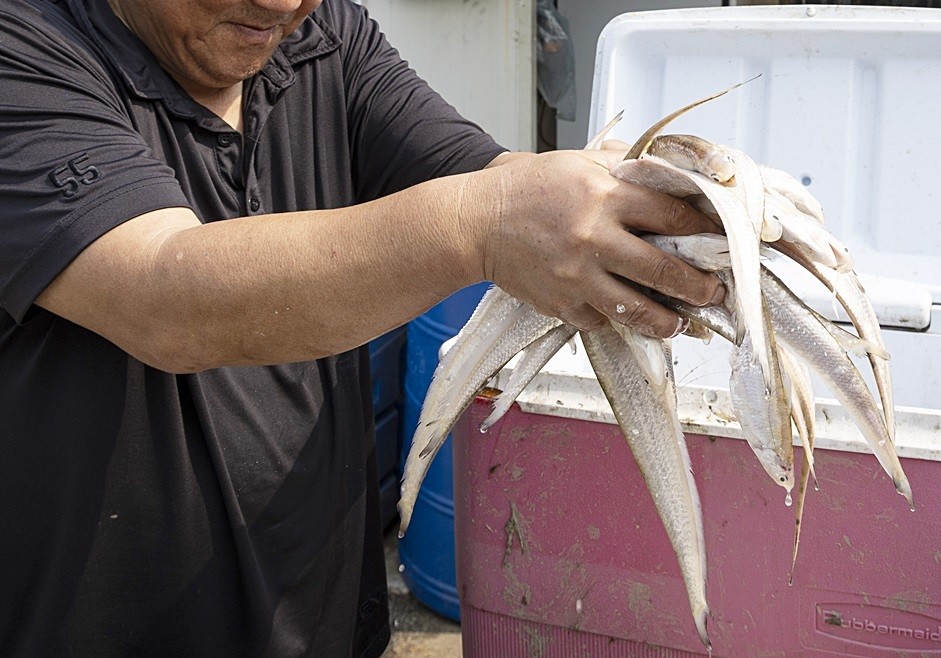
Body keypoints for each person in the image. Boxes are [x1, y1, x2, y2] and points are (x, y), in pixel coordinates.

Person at [0, 0, 725, 655]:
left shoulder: (321, 36)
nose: (281, 3)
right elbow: (164, 293)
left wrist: (639, 216)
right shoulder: (24, 50)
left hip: (324, 616)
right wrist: (489, 221)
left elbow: (480, 172)